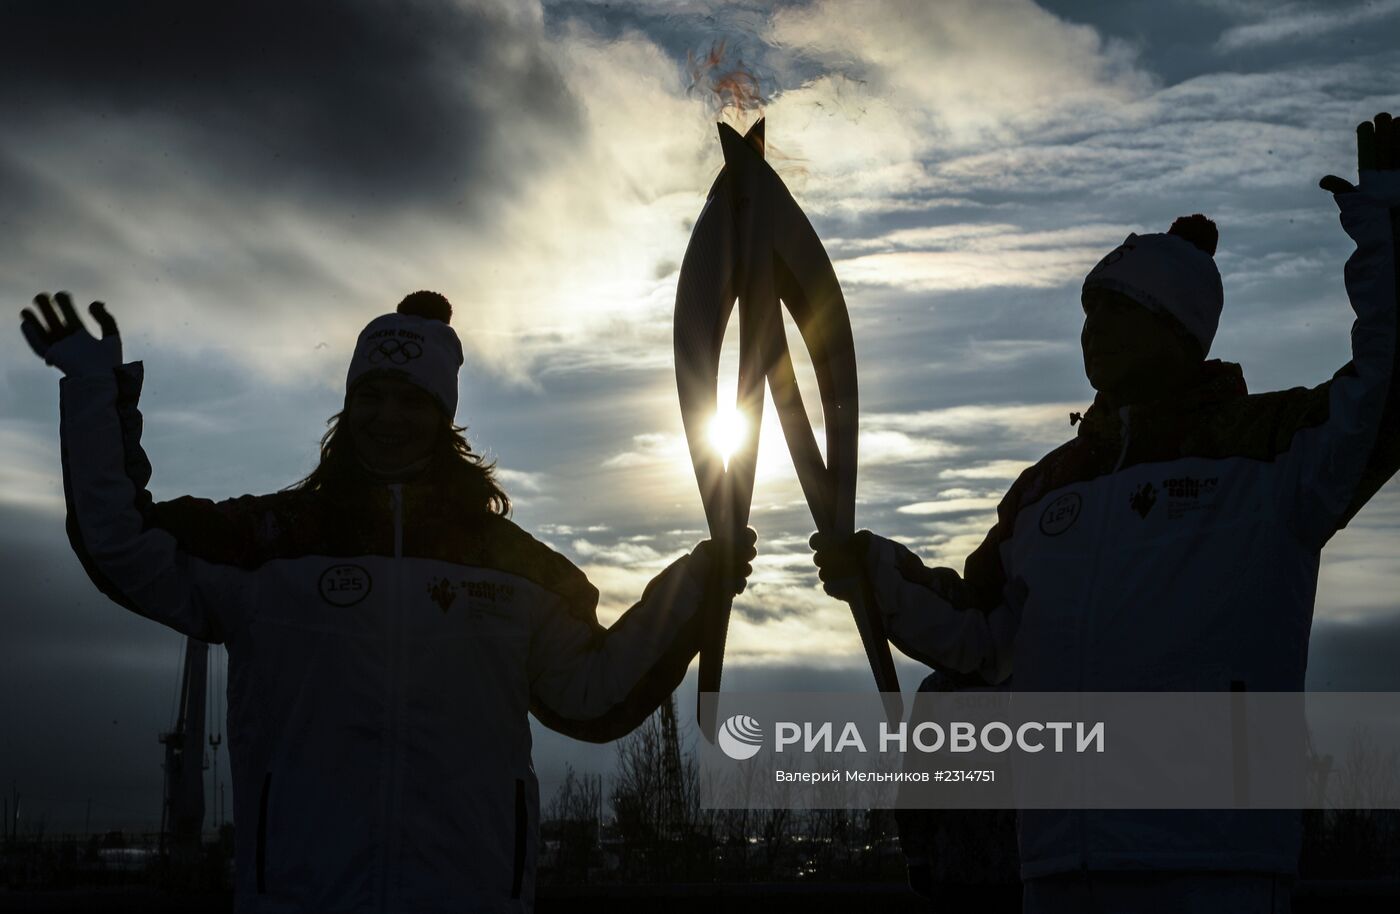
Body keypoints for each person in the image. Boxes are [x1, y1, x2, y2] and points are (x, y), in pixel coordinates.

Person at [812, 113, 1400, 913]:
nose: (1095, 331)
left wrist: (1388, 229)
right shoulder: (1049, 489)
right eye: (1091, 311)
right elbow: (981, 635)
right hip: (1059, 867)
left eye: (1120, 310)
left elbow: (1388, 383)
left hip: (1212, 863)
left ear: (1177, 329)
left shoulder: (1272, 452)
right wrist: (874, 575)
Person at [20, 289, 756, 913]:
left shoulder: (515, 568)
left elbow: (594, 694)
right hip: (303, 895)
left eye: (411, 399)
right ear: (347, 405)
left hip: (468, 897)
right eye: (370, 396)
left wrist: (696, 584)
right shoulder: (269, 543)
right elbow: (122, 546)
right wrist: (90, 388)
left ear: (443, 415)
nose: (388, 416)